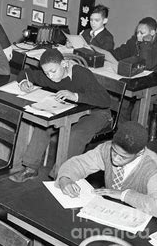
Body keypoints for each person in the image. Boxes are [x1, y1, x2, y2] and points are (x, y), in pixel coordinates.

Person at [9, 48, 111, 183]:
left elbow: (105, 100)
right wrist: (23, 82)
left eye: (53, 71)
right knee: (43, 124)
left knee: (75, 134)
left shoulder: (80, 73)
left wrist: (75, 96)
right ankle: (30, 168)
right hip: (71, 111)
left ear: (64, 64)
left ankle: (62, 176)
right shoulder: (49, 75)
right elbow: (26, 73)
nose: (50, 76)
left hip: (97, 112)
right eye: (47, 72)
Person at [57, 121, 157, 221]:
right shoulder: (107, 148)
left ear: (139, 153)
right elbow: (79, 164)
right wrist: (65, 178)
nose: (115, 158)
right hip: (111, 212)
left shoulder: (152, 166)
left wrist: (124, 195)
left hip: (141, 219)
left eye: (123, 157)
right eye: (114, 151)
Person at [93, 17, 157, 74]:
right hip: (135, 75)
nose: (138, 36)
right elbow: (120, 53)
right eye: (137, 32)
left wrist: (146, 43)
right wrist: (104, 54)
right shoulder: (134, 40)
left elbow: (146, 65)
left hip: (154, 82)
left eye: (142, 33)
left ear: (152, 33)